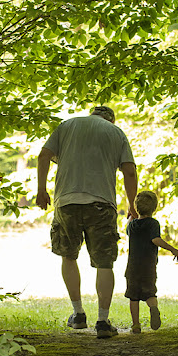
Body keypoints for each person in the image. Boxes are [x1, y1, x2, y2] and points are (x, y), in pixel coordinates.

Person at [36, 105, 138, 338]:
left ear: (91, 114)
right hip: (101, 204)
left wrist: (41, 190)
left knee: (68, 256)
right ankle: (102, 321)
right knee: (104, 263)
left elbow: (44, 156)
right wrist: (131, 204)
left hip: (66, 202)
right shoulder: (116, 133)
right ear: (110, 120)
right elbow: (129, 171)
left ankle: (78, 314)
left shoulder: (67, 125)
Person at [125, 190, 178, 334]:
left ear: (137, 208)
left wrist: (130, 215)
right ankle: (153, 308)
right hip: (148, 267)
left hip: (132, 267)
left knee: (133, 296)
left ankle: (136, 325)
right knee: (150, 292)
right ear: (154, 208)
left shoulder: (132, 225)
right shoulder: (153, 224)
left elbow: (128, 226)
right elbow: (155, 240)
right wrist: (172, 249)